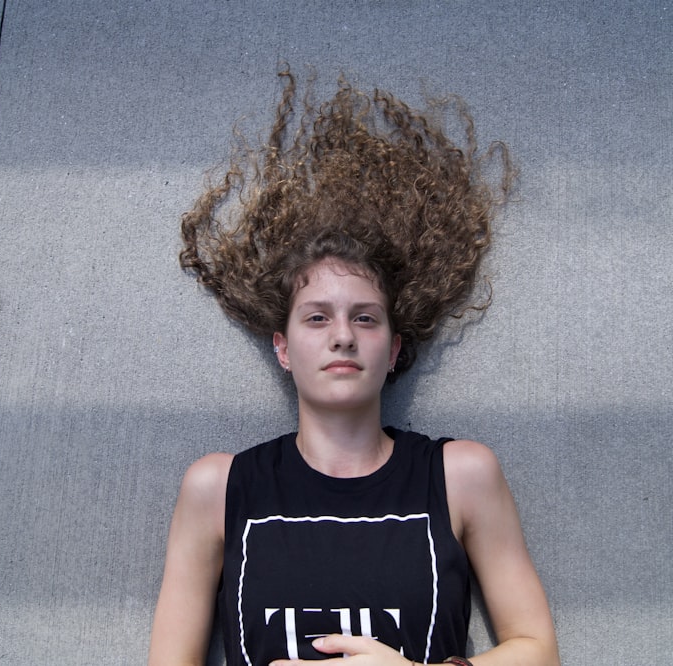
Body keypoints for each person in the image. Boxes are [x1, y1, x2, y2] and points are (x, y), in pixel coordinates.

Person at [149, 67, 559, 666]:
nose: (342, 335)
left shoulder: (460, 475)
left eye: (365, 318)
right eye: (317, 318)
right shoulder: (218, 488)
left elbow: (539, 650)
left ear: (394, 349)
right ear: (282, 348)